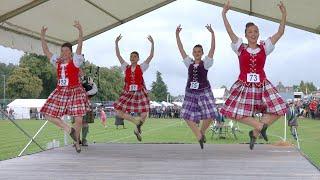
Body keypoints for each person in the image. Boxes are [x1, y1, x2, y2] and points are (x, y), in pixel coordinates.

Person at [220, 1, 288, 150]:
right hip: (244, 85)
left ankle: (255, 132)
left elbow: (280, 33)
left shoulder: (265, 47)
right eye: (250, 32)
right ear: (245, 35)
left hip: (262, 85)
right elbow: (229, 31)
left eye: (256, 31)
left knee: (280, 109)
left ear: (258, 34)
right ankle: (259, 126)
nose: (253, 34)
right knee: (232, 112)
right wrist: (224, 14)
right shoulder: (240, 47)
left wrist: (283, 15)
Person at [40, 21, 90, 153]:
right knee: (47, 114)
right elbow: (46, 51)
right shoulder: (57, 62)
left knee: (79, 119)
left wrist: (80, 31)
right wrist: (42, 36)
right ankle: (69, 130)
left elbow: (80, 46)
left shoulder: (76, 61)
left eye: (66, 50)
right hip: (61, 92)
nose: (63, 52)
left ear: (71, 53)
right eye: (62, 50)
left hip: (75, 91)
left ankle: (77, 142)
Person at [176, 24, 216, 149]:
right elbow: (181, 50)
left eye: (199, 51)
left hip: (204, 91)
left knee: (211, 114)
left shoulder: (206, 63)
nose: (197, 53)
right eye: (195, 51)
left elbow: (212, 50)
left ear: (202, 53)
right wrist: (177, 35)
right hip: (190, 92)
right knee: (186, 115)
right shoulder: (189, 63)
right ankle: (198, 135)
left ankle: (201, 132)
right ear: (192, 53)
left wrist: (212, 34)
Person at [113, 34, 154, 141]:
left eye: (135, 56)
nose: (132, 58)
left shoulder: (142, 67)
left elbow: (151, 56)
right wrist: (116, 43)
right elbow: (118, 55)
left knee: (144, 113)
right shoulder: (125, 67)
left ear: (138, 58)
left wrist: (152, 44)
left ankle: (136, 129)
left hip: (139, 92)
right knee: (118, 111)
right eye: (131, 56)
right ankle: (136, 122)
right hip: (128, 93)